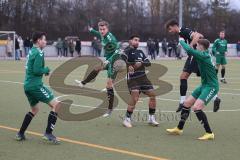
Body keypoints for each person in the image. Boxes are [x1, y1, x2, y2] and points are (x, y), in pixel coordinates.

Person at [167, 38, 218, 140]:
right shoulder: (204, 53)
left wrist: (181, 41)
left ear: (201, 47)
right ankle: (179, 128)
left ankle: (209, 133)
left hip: (211, 86)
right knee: (186, 104)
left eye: (197, 45)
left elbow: (189, 51)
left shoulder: (203, 55)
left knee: (197, 108)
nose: (196, 47)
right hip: (204, 85)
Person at [165, 19, 221, 112]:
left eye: (170, 29)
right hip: (195, 56)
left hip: (195, 56)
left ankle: (182, 102)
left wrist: (190, 47)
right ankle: (215, 98)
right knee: (203, 76)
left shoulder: (183, 31)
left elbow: (198, 35)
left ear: (175, 26)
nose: (169, 32)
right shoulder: (181, 33)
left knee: (183, 77)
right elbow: (200, 36)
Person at [15, 32, 61, 144]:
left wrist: (42, 71)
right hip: (35, 86)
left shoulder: (31, 51)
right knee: (57, 105)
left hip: (27, 86)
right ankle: (48, 133)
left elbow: (33, 68)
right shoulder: (39, 53)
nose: (45, 42)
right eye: (44, 40)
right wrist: (46, 70)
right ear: (39, 40)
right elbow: (37, 70)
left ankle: (20, 134)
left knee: (35, 110)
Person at [75, 20, 120, 117]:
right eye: (100, 29)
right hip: (108, 60)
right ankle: (83, 83)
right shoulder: (101, 34)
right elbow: (97, 33)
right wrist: (91, 30)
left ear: (107, 29)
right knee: (96, 69)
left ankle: (110, 109)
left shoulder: (110, 38)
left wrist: (110, 60)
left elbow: (117, 51)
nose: (102, 31)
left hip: (115, 61)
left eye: (104, 29)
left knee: (109, 85)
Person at [122, 35, 159, 128]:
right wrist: (129, 65)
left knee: (153, 95)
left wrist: (141, 63)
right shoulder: (127, 51)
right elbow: (121, 59)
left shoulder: (140, 52)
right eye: (135, 40)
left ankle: (151, 118)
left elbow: (148, 63)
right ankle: (127, 119)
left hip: (143, 78)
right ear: (130, 41)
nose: (137, 42)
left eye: (138, 40)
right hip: (133, 79)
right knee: (135, 98)